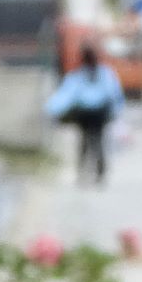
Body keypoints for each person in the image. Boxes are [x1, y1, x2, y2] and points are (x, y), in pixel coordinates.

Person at [47, 44, 126, 186]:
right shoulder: (104, 74)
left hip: (85, 114)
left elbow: (66, 96)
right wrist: (116, 110)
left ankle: (83, 171)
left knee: (84, 141)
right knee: (98, 141)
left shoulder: (79, 75)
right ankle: (99, 172)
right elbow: (114, 93)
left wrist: (52, 111)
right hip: (99, 113)